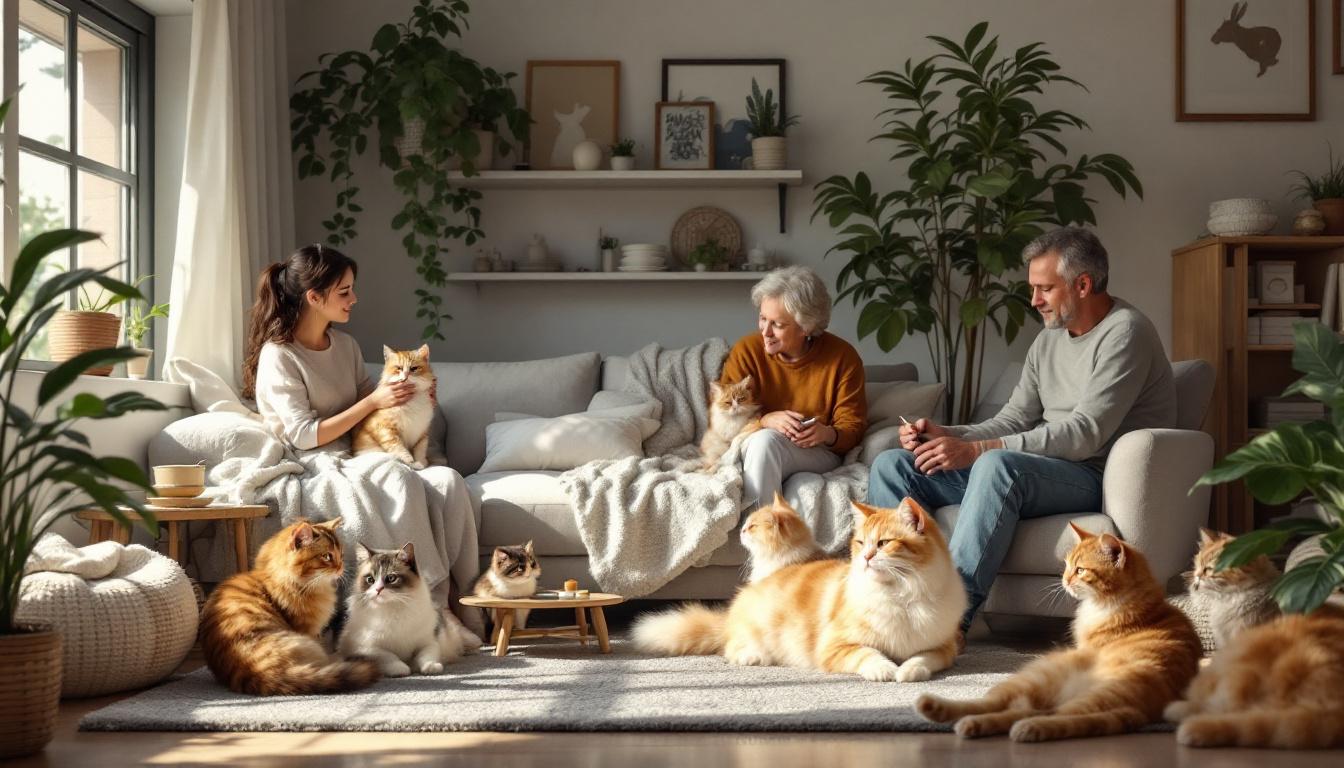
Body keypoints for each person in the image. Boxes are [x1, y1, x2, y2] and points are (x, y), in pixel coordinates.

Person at [867, 227, 1176, 635]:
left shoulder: (1126, 332)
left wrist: (977, 452)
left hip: (1091, 473)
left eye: (1045, 289)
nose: (1034, 301)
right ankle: (892, 610)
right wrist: (949, 434)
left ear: (1082, 284)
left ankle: (949, 620)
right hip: (1037, 469)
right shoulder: (1048, 341)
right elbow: (1013, 419)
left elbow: (1086, 433)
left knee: (997, 465)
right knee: (894, 465)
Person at [241, 243, 481, 632]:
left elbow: (373, 409)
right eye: (344, 291)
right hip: (315, 460)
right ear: (314, 297)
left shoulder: (347, 346)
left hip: (358, 451)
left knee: (448, 481)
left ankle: (466, 600)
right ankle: (434, 609)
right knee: (399, 477)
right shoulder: (280, 355)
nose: (354, 298)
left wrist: (413, 398)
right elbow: (304, 435)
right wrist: (374, 400)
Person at [719, 266, 867, 509]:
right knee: (764, 440)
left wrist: (827, 434)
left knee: (765, 443)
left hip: (817, 452)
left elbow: (853, 426)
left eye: (777, 324)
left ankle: (763, 535)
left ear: (806, 327)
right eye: (762, 318)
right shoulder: (747, 351)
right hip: (757, 445)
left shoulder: (843, 357)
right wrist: (765, 420)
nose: (765, 332)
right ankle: (764, 535)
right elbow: (724, 419)